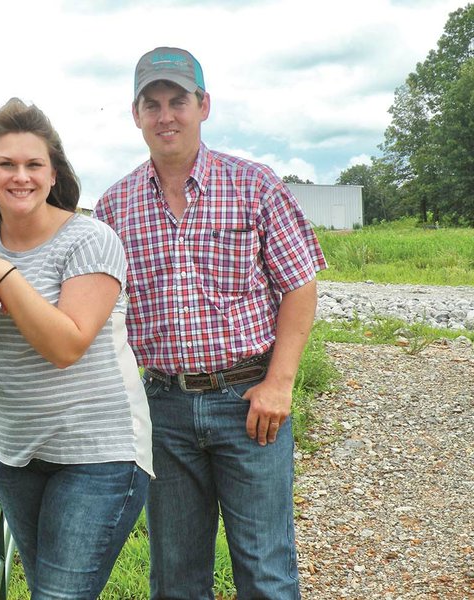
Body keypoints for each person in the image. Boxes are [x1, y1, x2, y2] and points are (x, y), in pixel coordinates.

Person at [94, 48, 327, 599]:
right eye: (152, 104)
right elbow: (96, 309)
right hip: (163, 406)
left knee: (265, 570)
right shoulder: (114, 207)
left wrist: (280, 382)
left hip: (249, 401)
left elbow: (300, 285)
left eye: (179, 100)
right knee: (175, 576)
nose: (166, 115)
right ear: (135, 115)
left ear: (204, 105)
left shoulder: (255, 185)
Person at [0, 98, 153, 600]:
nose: (20, 176)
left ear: (54, 172)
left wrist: (1, 275)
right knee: (50, 588)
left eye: (33, 164)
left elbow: (66, 344)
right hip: (19, 450)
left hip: (99, 450)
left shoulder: (90, 239)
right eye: (6, 164)